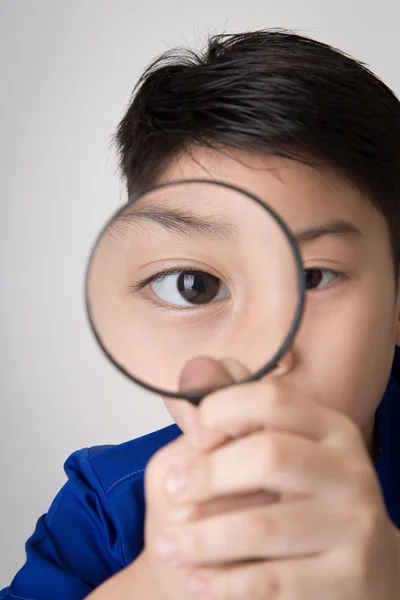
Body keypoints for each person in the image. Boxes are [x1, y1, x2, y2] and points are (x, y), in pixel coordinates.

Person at [2, 27, 400, 599]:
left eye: (313, 277)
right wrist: (160, 583)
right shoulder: (106, 507)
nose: (259, 357)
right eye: (196, 286)